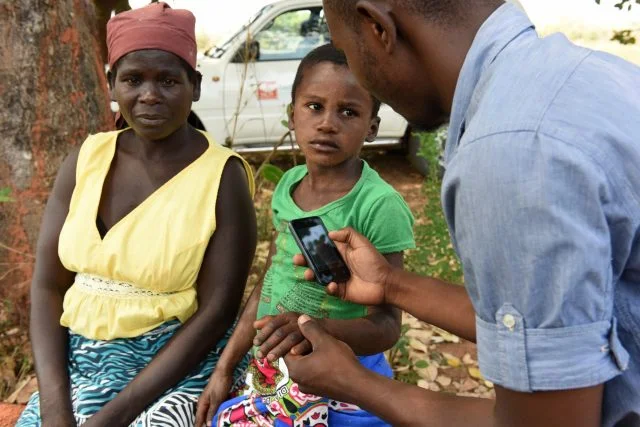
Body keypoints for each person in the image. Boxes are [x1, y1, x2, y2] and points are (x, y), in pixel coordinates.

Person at [283, 1, 640, 426]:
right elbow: (554, 320)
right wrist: (390, 283)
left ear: (378, 29)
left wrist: (353, 382)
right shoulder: (588, 74)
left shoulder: (510, 152)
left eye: (348, 49)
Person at [17, 3, 257, 426]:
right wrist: (55, 406)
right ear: (112, 84)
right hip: (79, 362)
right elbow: (47, 286)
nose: (149, 95)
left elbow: (217, 312)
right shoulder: (85, 160)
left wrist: (113, 417)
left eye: (168, 80)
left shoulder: (223, 177)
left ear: (194, 85)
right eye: (132, 79)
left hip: (174, 365)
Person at [195, 43, 415, 427]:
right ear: (291, 115)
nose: (328, 123)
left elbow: (386, 326)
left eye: (349, 111)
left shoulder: (379, 205)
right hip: (271, 367)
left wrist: (316, 330)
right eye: (314, 107)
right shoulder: (290, 186)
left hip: (340, 374)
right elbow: (269, 282)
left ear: (372, 127)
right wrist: (224, 368)